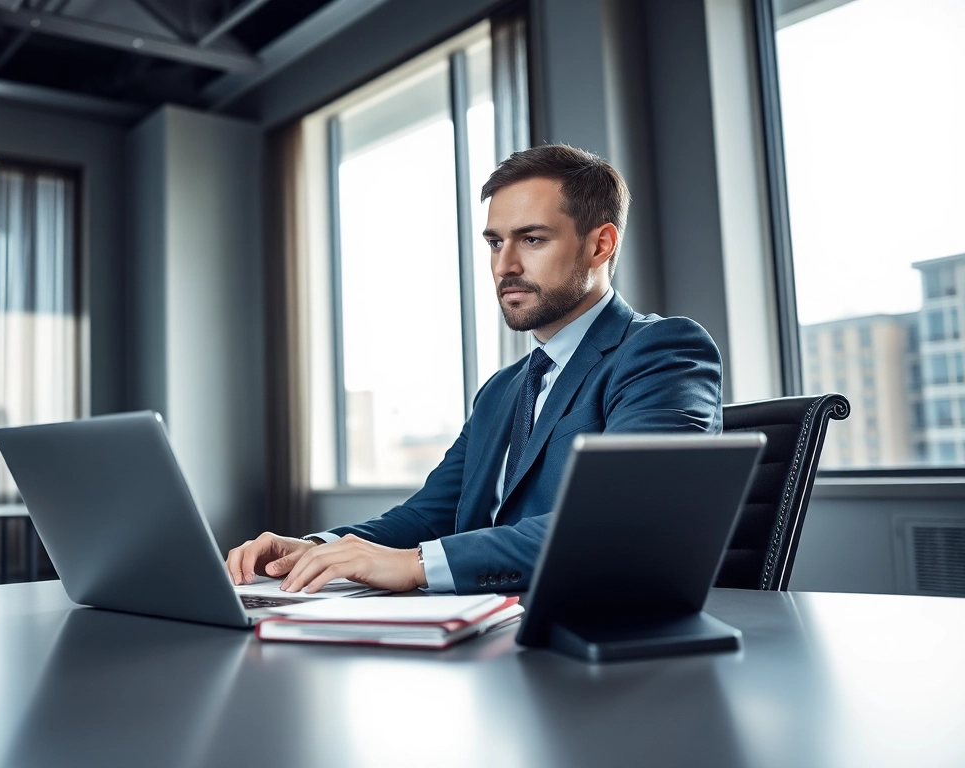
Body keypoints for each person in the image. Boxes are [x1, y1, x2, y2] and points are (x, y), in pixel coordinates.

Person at [227, 144, 723, 595]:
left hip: (605, 643)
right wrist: (317, 547)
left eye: (531, 239)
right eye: (493, 243)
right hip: (493, 637)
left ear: (600, 245)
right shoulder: (502, 391)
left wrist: (418, 565)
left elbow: (622, 518)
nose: (504, 265)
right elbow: (431, 512)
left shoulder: (662, 351)